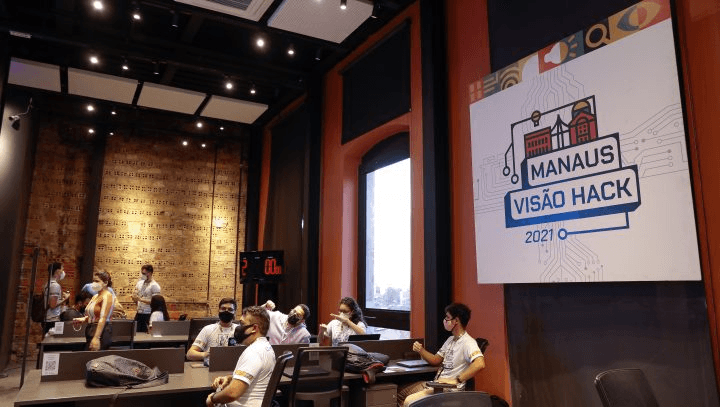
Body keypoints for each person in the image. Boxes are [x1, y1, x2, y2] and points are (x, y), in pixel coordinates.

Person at [397, 302, 485, 407]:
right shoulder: (450, 340)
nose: (445, 320)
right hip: (437, 384)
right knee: (399, 392)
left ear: (456, 321)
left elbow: (480, 364)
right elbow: (436, 360)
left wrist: (456, 380)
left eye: (447, 317)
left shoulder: (468, 342)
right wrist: (421, 350)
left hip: (449, 390)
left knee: (409, 401)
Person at [206, 305, 274, 407]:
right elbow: (255, 377)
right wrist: (231, 378)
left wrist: (212, 399)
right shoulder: (266, 347)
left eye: (242, 324)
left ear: (254, 328)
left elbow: (232, 393)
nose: (239, 328)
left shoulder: (253, 352)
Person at [187, 298, 238, 366]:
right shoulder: (208, 329)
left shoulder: (240, 330)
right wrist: (207, 355)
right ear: (218, 310)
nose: (226, 311)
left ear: (235, 313)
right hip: (211, 367)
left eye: (230, 309)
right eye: (223, 309)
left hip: (234, 368)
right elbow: (190, 354)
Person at [73, 270, 115, 351]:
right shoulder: (95, 296)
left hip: (101, 331)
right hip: (91, 329)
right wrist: (83, 319)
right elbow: (93, 316)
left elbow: (103, 318)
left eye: (97, 281)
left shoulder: (107, 295)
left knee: (95, 357)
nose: (94, 283)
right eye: (93, 281)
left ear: (105, 283)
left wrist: (96, 337)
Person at [131, 264, 161, 332]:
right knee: (135, 332)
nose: (142, 275)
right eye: (142, 273)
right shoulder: (139, 283)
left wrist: (140, 299)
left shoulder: (154, 285)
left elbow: (155, 301)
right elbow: (136, 296)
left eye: (144, 273)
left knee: (145, 333)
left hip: (148, 313)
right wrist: (134, 297)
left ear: (149, 273)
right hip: (139, 312)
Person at [43, 262, 70, 332]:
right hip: (52, 320)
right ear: (57, 271)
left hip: (48, 319)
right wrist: (65, 298)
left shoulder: (48, 284)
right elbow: (52, 305)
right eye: (62, 269)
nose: (63, 272)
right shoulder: (55, 285)